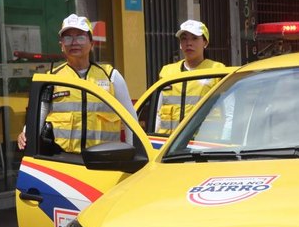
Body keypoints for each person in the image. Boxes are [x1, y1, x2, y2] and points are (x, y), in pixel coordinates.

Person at [17, 13, 136, 152]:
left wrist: (132, 152)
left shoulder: (111, 76)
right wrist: (26, 133)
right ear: (61, 45)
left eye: (80, 37)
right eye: (67, 38)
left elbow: (130, 120)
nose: (74, 42)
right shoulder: (52, 79)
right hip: (65, 161)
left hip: (105, 161)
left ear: (92, 43)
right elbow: (39, 116)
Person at [155, 19, 226, 134]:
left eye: (194, 38)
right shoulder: (167, 72)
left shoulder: (218, 71)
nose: (189, 43)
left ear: (205, 42)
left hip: (203, 144)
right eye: (184, 38)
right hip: (169, 144)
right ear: (180, 44)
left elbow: (229, 111)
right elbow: (159, 112)